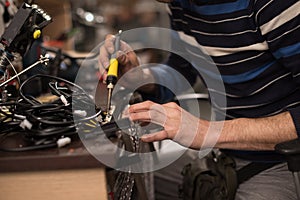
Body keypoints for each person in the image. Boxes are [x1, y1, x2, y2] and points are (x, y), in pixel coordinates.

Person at [99, 0, 300, 199]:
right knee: (121, 179)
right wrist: (139, 77)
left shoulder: (274, 5)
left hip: (284, 161)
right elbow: (182, 68)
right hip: (226, 153)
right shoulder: (179, 4)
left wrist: (207, 132)